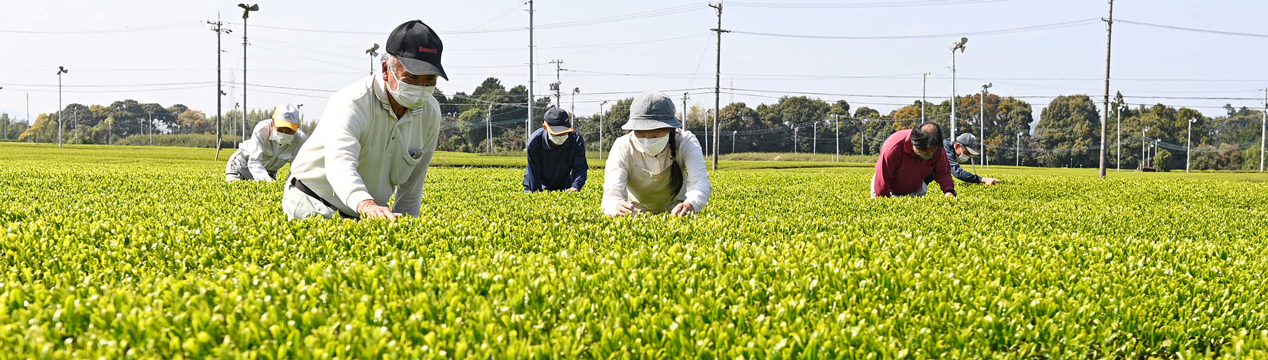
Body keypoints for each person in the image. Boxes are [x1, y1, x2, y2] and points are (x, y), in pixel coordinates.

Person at [282, 20, 447, 220]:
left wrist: (406, 225)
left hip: (365, 213)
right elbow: (340, 163)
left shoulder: (430, 112)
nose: (422, 87)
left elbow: (413, 183)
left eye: (430, 79)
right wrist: (366, 204)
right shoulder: (353, 102)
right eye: (412, 77)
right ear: (386, 69)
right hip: (314, 201)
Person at [602, 91, 711, 216]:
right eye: (641, 132)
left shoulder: (685, 142)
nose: (648, 138)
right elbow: (611, 193)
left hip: (677, 214)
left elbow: (700, 182)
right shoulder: (623, 146)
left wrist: (690, 204)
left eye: (656, 132)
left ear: (670, 128)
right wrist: (616, 205)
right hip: (635, 215)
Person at [225, 103, 307, 182]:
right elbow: (254, 161)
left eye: (289, 131)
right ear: (272, 124)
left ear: (296, 128)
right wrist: (266, 180)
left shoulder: (300, 140)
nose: (284, 133)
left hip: (268, 172)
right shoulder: (261, 129)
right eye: (280, 129)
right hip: (241, 167)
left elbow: (297, 169)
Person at [872, 122, 957, 198]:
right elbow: (882, 180)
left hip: (917, 190)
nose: (928, 155)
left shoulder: (936, 147)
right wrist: (885, 202)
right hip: (890, 190)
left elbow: (943, 171)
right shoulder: (892, 148)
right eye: (925, 152)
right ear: (914, 143)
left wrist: (948, 190)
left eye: (931, 153)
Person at [524, 107, 588, 192]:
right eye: (556, 134)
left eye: (564, 132)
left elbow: (580, 168)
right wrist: (536, 194)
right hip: (536, 184)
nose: (561, 136)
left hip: (565, 187)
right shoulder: (534, 142)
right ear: (545, 127)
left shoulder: (576, 140)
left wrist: (575, 187)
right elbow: (534, 173)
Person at [925, 133, 1001, 186]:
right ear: (957, 146)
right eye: (968, 152)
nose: (969, 155)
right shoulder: (944, 149)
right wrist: (983, 179)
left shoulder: (948, 149)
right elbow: (958, 173)